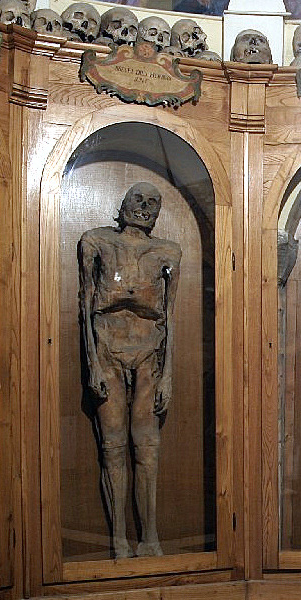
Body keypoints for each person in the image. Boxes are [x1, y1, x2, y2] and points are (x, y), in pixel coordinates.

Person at [79, 183, 181, 559]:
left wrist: (168, 374)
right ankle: (119, 539)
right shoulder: (96, 242)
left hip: (149, 352)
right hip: (107, 348)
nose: (144, 207)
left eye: (153, 203)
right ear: (123, 205)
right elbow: (86, 305)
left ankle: (150, 537)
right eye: (138, 200)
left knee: (147, 446)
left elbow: (170, 315)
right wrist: (92, 363)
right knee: (113, 446)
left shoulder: (168, 252)